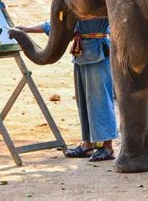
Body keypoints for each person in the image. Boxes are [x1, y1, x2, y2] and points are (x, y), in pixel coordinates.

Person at [16, 18, 118, 161]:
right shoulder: (76, 3)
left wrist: (27, 29)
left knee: (101, 100)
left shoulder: (100, 0)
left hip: (98, 52)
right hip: (81, 52)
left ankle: (107, 147)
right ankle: (87, 144)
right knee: (84, 102)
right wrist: (26, 29)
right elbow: (59, 24)